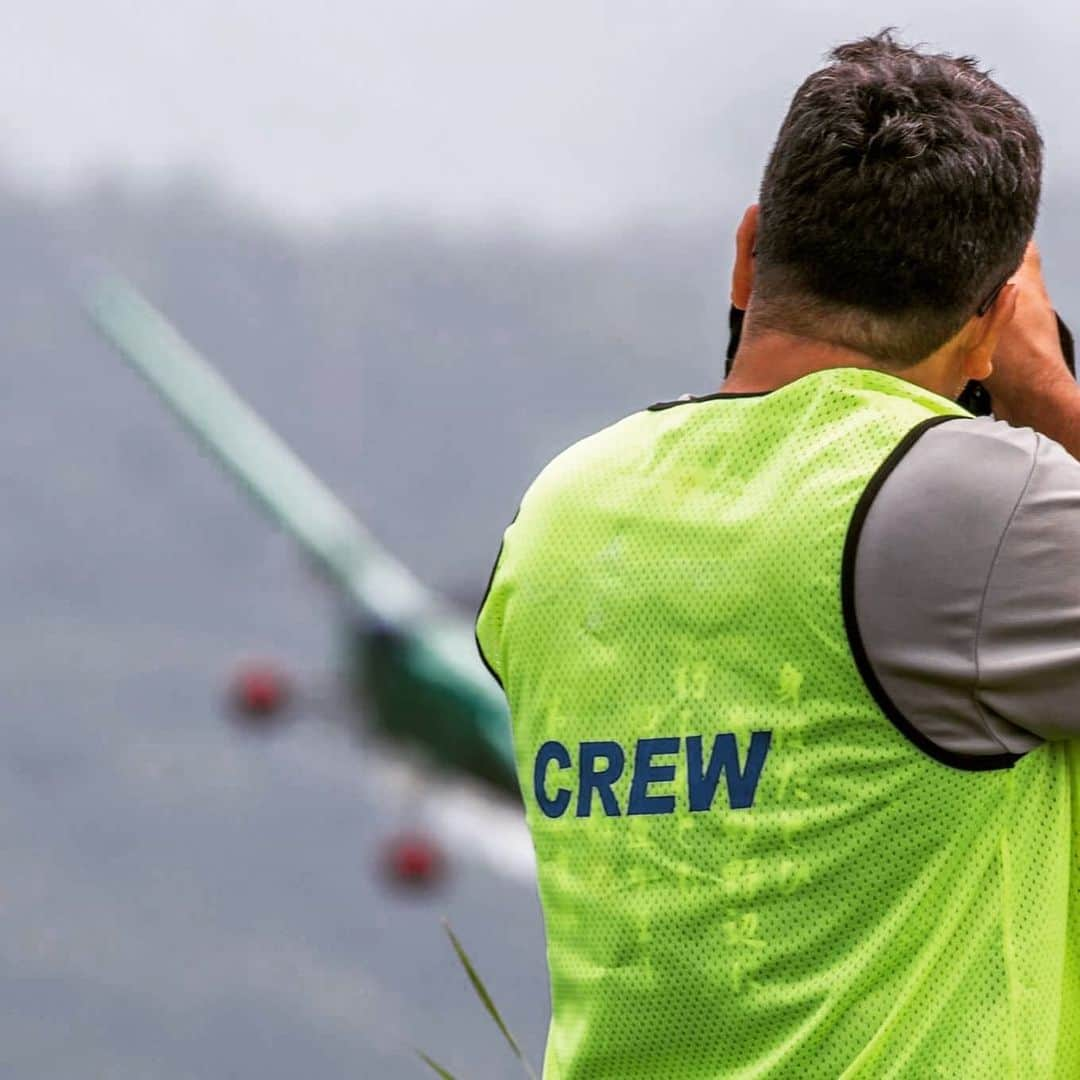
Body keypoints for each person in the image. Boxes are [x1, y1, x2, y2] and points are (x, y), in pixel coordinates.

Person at [475, 30, 1080, 1078]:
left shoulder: (562, 513)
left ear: (749, 252)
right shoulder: (983, 510)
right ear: (990, 324)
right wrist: (1054, 403)